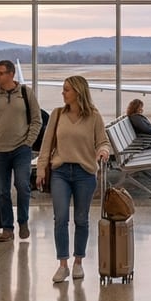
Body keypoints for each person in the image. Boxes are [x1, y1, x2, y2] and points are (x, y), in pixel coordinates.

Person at [36, 76, 111, 284]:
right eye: (63, 89)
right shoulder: (57, 115)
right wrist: (41, 169)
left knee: (81, 219)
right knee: (60, 218)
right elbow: (46, 144)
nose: (63, 93)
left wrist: (103, 151)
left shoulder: (94, 117)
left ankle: (78, 261)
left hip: (84, 173)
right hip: (60, 171)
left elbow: (103, 141)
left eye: (67, 90)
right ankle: (63, 264)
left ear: (78, 92)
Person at [0, 60, 43, 242]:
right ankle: (7, 228)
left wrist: (29, 142)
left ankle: (23, 221)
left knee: (22, 185)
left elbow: (37, 120)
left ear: (11, 74)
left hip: (21, 149)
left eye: (1, 73)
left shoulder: (26, 93)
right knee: (2, 191)